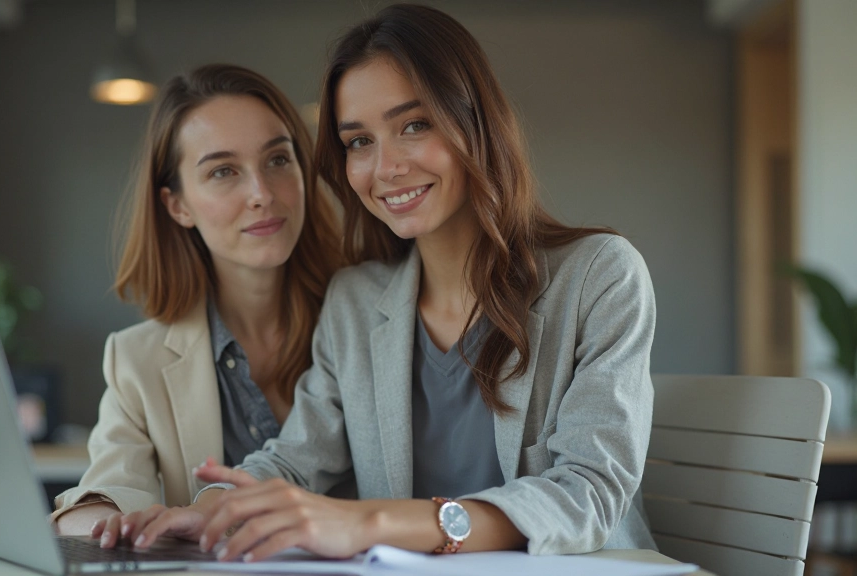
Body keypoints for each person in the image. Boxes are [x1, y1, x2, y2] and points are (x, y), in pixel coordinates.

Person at [108, 3, 657, 558]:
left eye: (414, 125)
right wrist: (203, 511)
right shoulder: (355, 301)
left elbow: (588, 493)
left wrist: (372, 522)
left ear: (476, 122)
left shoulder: (598, 277)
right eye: (359, 142)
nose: (385, 167)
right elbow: (295, 457)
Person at [51, 64, 342, 541]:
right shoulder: (137, 359)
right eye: (224, 171)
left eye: (278, 159)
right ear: (177, 205)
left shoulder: (369, 320)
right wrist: (99, 523)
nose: (262, 194)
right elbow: (109, 490)